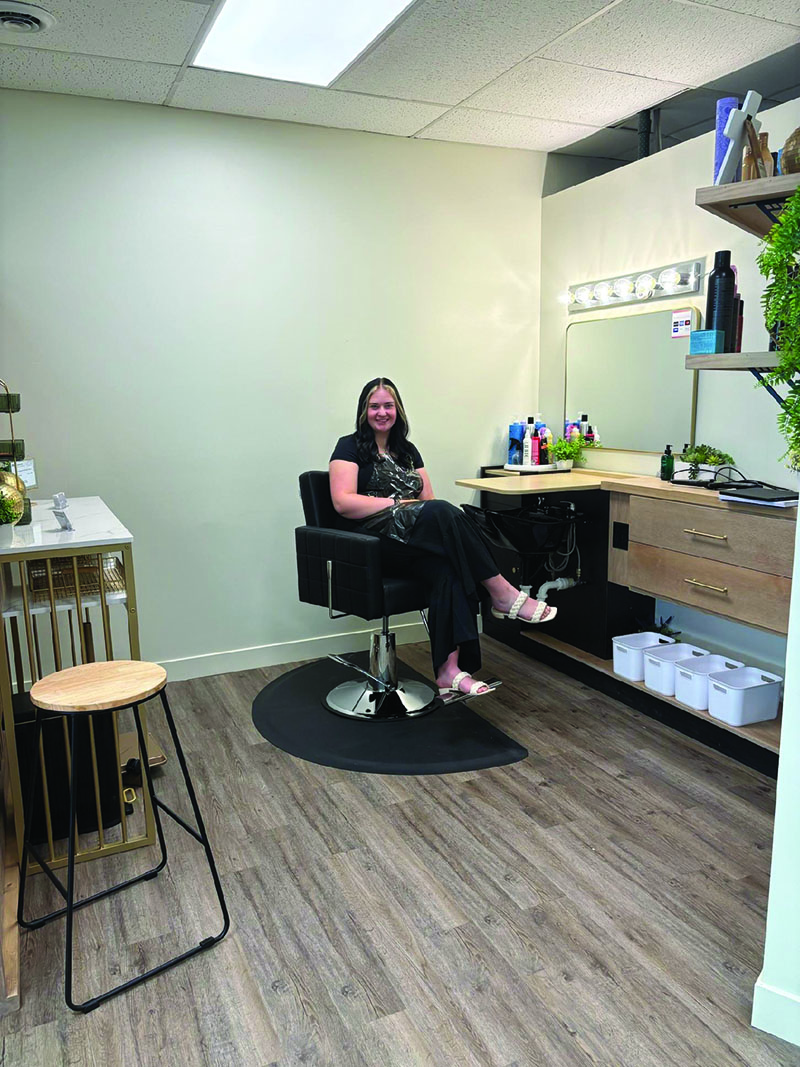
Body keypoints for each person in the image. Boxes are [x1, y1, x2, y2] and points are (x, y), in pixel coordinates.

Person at [329, 377, 557, 699]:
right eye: (374, 405)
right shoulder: (349, 446)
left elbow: (429, 500)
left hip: (409, 541)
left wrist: (416, 508)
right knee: (443, 512)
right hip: (371, 542)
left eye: (388, 405)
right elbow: (343, 502)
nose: (382, 412)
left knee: (449, 566)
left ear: (398, 410)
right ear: (364, 410)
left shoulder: (408, 451)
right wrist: (398, 504)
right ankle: (501, 592)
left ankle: (448, 671)